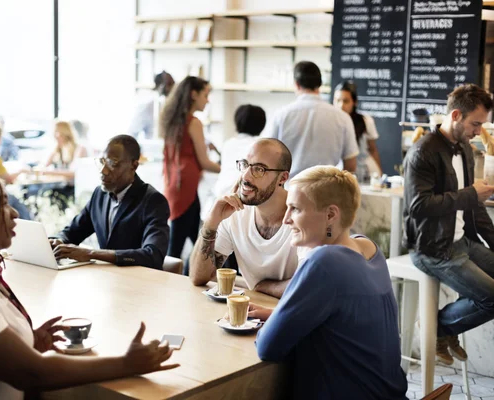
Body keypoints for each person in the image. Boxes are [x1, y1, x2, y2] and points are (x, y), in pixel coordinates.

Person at [0, 162, 178, 399]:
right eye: (3, 203)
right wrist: (127, 363)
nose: (15, 213)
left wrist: (26, 340)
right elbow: (32, 373)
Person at [251, 166, 407, 399]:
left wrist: (279, 321)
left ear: (331, 215)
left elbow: (268, 347)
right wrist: (279, 315)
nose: (286, 219)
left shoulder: (324, 261)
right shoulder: (369, 249)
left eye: (295, 209)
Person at [404, 83, 494, 365]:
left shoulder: (465, 149)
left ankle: (445, 330)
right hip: (432, 249)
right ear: (455, 115)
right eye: (475, 124)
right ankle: (438, 328)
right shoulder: (423, 152)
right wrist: (470, 194)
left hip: (461, 242)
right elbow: (418, 206)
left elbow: (474, 207)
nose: (479, 131)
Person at [189, 139, 297, 298]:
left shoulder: (303, 216)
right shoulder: (233, 212)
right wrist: (211, 223)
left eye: (259, 169)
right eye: (245, 165)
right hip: (252, 311)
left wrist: (262, 287)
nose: (245, 176)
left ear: (282, 178)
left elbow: (312, 283)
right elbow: (199, 277)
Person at [50, 135, 170, 270]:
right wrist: (58, 241)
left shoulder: (153, 201)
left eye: (113, 163)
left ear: (134, 165)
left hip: (139, 283)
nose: (103, 170)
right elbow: (72, 232)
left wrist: (91, 254)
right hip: (106, 279)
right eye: (102, 162)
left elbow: (153, 256)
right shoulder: (100, 194)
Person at [160, 76, 221, 271]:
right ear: (194, 94)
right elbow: (204, 162)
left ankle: (190, 274)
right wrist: (228, 169)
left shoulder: (173, 120)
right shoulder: (193, 122)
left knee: (192, 240)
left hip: (175, 184)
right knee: (180, 245)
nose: (207, 100)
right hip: (185, 187)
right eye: (206, 94)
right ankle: (182, 278)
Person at [264, 61, 359, 178]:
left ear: (296, 84)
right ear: (319, 84)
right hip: (328, 189)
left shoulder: (281, 115)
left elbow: (266, 156)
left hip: (289, 189)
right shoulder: (343, 117)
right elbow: (351, 165)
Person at [212, 104, 266, 198]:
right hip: (243, 195)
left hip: (221, 193)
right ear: (262, 124)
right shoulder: (260, 145)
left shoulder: (228, 143)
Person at [333, 81, 382, 182]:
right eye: (337, 100)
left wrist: (379, 174)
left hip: (363, 170)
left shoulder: (365, 121)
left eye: (346, 101)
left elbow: (372, 149)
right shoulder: (330, 121)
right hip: (337, 172)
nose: (341, 105)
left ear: (354, 102)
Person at [128, 71, 175, 139]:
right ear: (160, 87)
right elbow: (132, 133)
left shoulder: (175, 109)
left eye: (172, 84)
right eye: (169, 84)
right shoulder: (148, 108)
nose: (171, 89)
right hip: (153, 147)